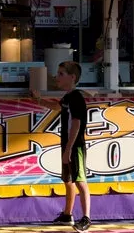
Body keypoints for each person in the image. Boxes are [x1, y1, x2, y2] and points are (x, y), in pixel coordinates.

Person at [42, 60, 91, 231]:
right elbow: (56, 106)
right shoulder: (68, 97)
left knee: (79, 180)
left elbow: (76, 124)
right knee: (68, 180)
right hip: (68, 145)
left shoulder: (76, 97)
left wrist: (69, 148)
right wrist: (38, 99)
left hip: (75, 146)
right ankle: (67, 214)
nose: (57, 77)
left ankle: (86, 218)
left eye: (61, 74)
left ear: (72, 77)